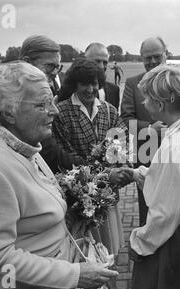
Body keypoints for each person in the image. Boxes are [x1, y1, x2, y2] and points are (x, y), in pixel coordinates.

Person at [0, 61, 118, 289]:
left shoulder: (24, 146)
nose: (55, 110)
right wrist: (74, 275)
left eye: (52, 101)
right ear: (10, 110)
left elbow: (32, 211)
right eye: (43, 104)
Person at [128, 65, 180, 289]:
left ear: (160, 104)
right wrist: (138, 174)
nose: (144, 104)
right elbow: (174, 183)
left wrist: (140, 244)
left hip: (174, 233)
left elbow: (165, 212)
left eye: (146, 100)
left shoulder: (174, 146)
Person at [53, 58, 128, 256]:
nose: (90, 89)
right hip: (80, 197)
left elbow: (121, 142)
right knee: (86, 250)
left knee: (110, 248)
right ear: (74, 84)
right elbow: (66, 157)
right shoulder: (61, 112)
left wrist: (116, 165)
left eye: (94, 83)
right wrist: (103, 173)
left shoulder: (109, 110)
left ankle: (111, 284)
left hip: (107, 194)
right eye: (84, 83)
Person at [20, 35, 86, 173]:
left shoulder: (39, 91)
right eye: (50, 66)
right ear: (26, 63)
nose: (55, 73)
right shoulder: (17, 100)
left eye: (58, 67)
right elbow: (50, 152)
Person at [120, 36, 168, 226]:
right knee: (148, 208)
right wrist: (149, 128)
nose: (153, 61)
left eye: (157, 56)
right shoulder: (133, 83)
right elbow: (125, 119)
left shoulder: (179, 80)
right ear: (141, 58)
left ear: (165, 54)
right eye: (148, 57)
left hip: (175, 155)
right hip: (146, 154)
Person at [84, 43, 120, 108]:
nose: (101, 66)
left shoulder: (114, 90)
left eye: (105, 62)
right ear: (85, 61)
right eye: (97, 61)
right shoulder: (74, 90)